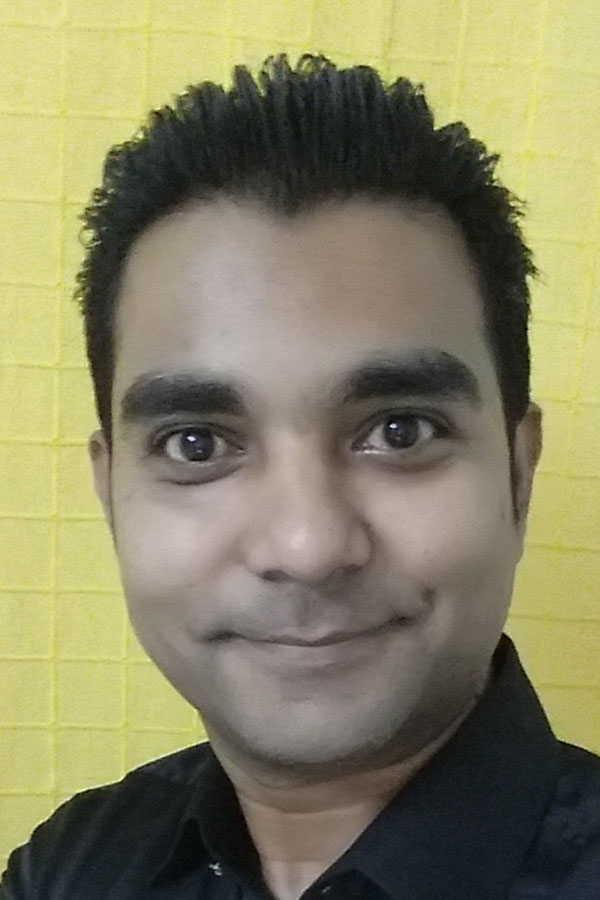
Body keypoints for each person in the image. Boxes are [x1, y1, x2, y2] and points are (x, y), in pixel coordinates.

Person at [2, 51, 599, 900]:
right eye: (197, 445)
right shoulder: (73, 866)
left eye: (399, 431)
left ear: (518, 469)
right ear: (111, 495)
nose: (307, 547)